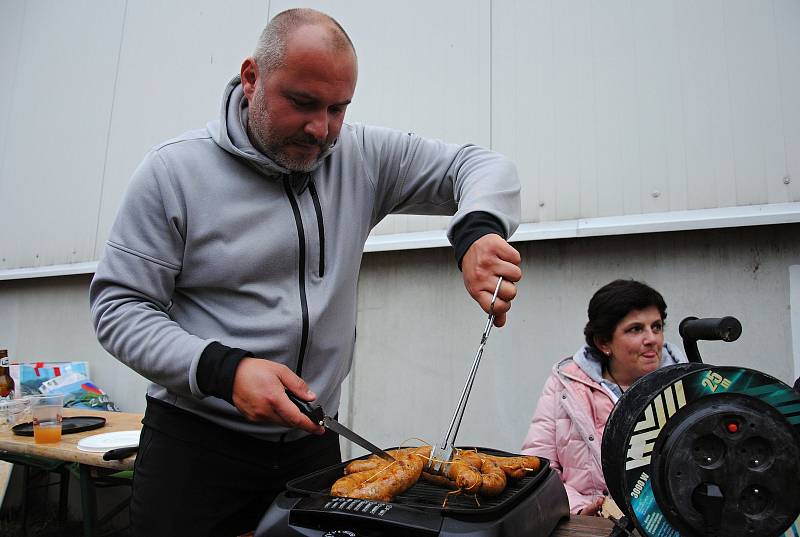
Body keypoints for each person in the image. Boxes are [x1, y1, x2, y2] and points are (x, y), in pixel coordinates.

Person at [89, 8, 522, 537]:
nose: (321, 130)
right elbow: (119, 308)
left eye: (338, 108)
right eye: (302, 103)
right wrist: (226, 371)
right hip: (196, 445)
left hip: (314, 446)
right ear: (252, 78)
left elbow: (480, 165)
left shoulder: (359, 155)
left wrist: (476, 232)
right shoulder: (172, 173)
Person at [520, 279, 687, 515]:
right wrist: (580, 508)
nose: (652, 339)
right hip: (586, 525)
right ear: (603, 342)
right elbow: (536, 468)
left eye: (656, 327)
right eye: (636, 329)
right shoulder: (566, 385)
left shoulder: (689, 385)